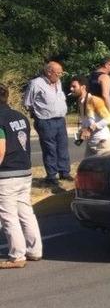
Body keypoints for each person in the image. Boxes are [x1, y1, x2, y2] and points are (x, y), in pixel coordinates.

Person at [0, 83, 43, 269]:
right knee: (26, 212)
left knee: (8, 216)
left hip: (6, 174)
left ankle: (17, 256)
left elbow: (0, 150)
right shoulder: (19, 117)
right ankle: (35, 250)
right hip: (24, 171)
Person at [23, 61, 71, 185]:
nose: (60, 75)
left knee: (63, 147)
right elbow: (27, 103)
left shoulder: (58, 82)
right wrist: (37, 115)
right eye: (58, 73)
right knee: (50, 149)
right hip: (45, 121)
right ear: (49, 72)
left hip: (60, 119)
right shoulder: (36, 83)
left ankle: (64, 172)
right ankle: (51, 176)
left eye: (61, 73)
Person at [70, 76, 110, 157]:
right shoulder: (80, 102)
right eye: (71, 86)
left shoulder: (94, 100)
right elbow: (87, 121)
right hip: (91, 144)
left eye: (74, 86)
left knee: (100, 169)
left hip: (103, 144)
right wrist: (82, 131)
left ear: (83, 87)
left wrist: (90, 129)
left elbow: (109, 119)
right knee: (86, 168)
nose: (71, 89)